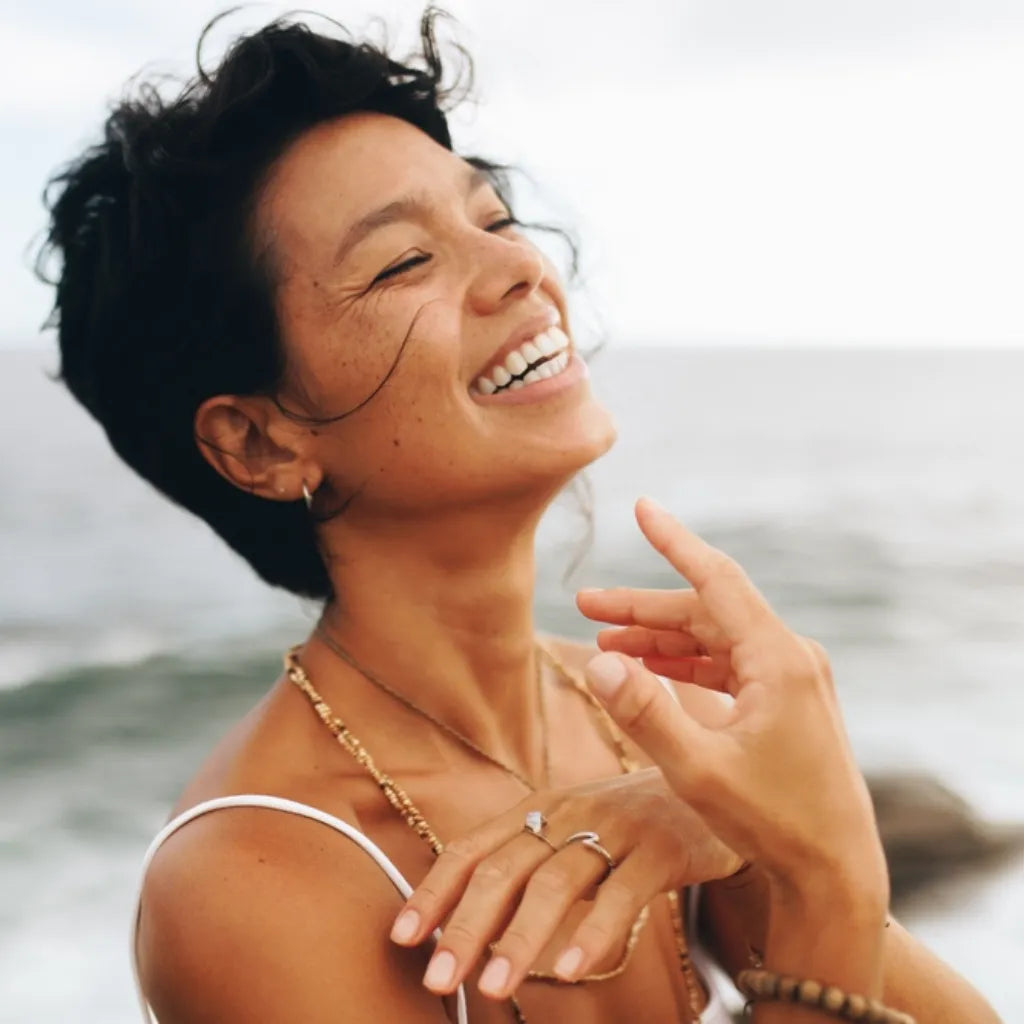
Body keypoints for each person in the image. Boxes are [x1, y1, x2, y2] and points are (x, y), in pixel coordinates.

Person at [38, 10, 1002, 1023]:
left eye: (494, 220)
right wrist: (817, 874)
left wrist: (779, 832)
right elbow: (832, 925)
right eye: (405, 261)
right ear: (263, 443)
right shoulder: (257, 881)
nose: (522, 270)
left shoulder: (647, 732)